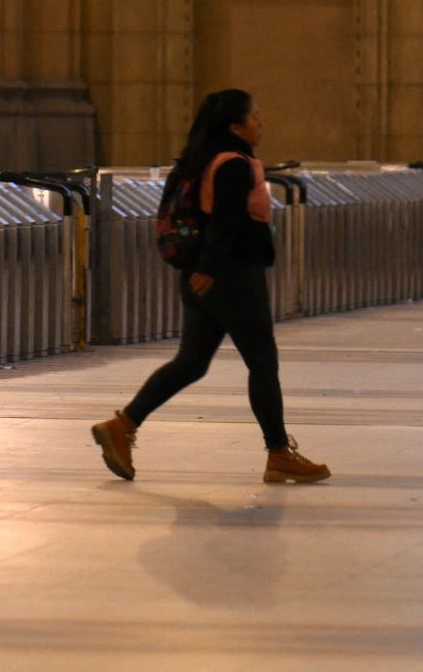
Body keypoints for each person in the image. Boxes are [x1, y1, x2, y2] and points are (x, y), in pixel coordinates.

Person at [90, 88, 331, 486]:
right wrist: (211, 269)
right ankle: (278, 453)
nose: (261, 123)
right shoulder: (233, 163)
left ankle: (122, 426)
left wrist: (201, 271)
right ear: (236, 127)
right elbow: (227, 221)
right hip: (231, 275)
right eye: (255, 118)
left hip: (205, 275)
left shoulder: (200, 160)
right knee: (262, 361)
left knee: (192, 363)